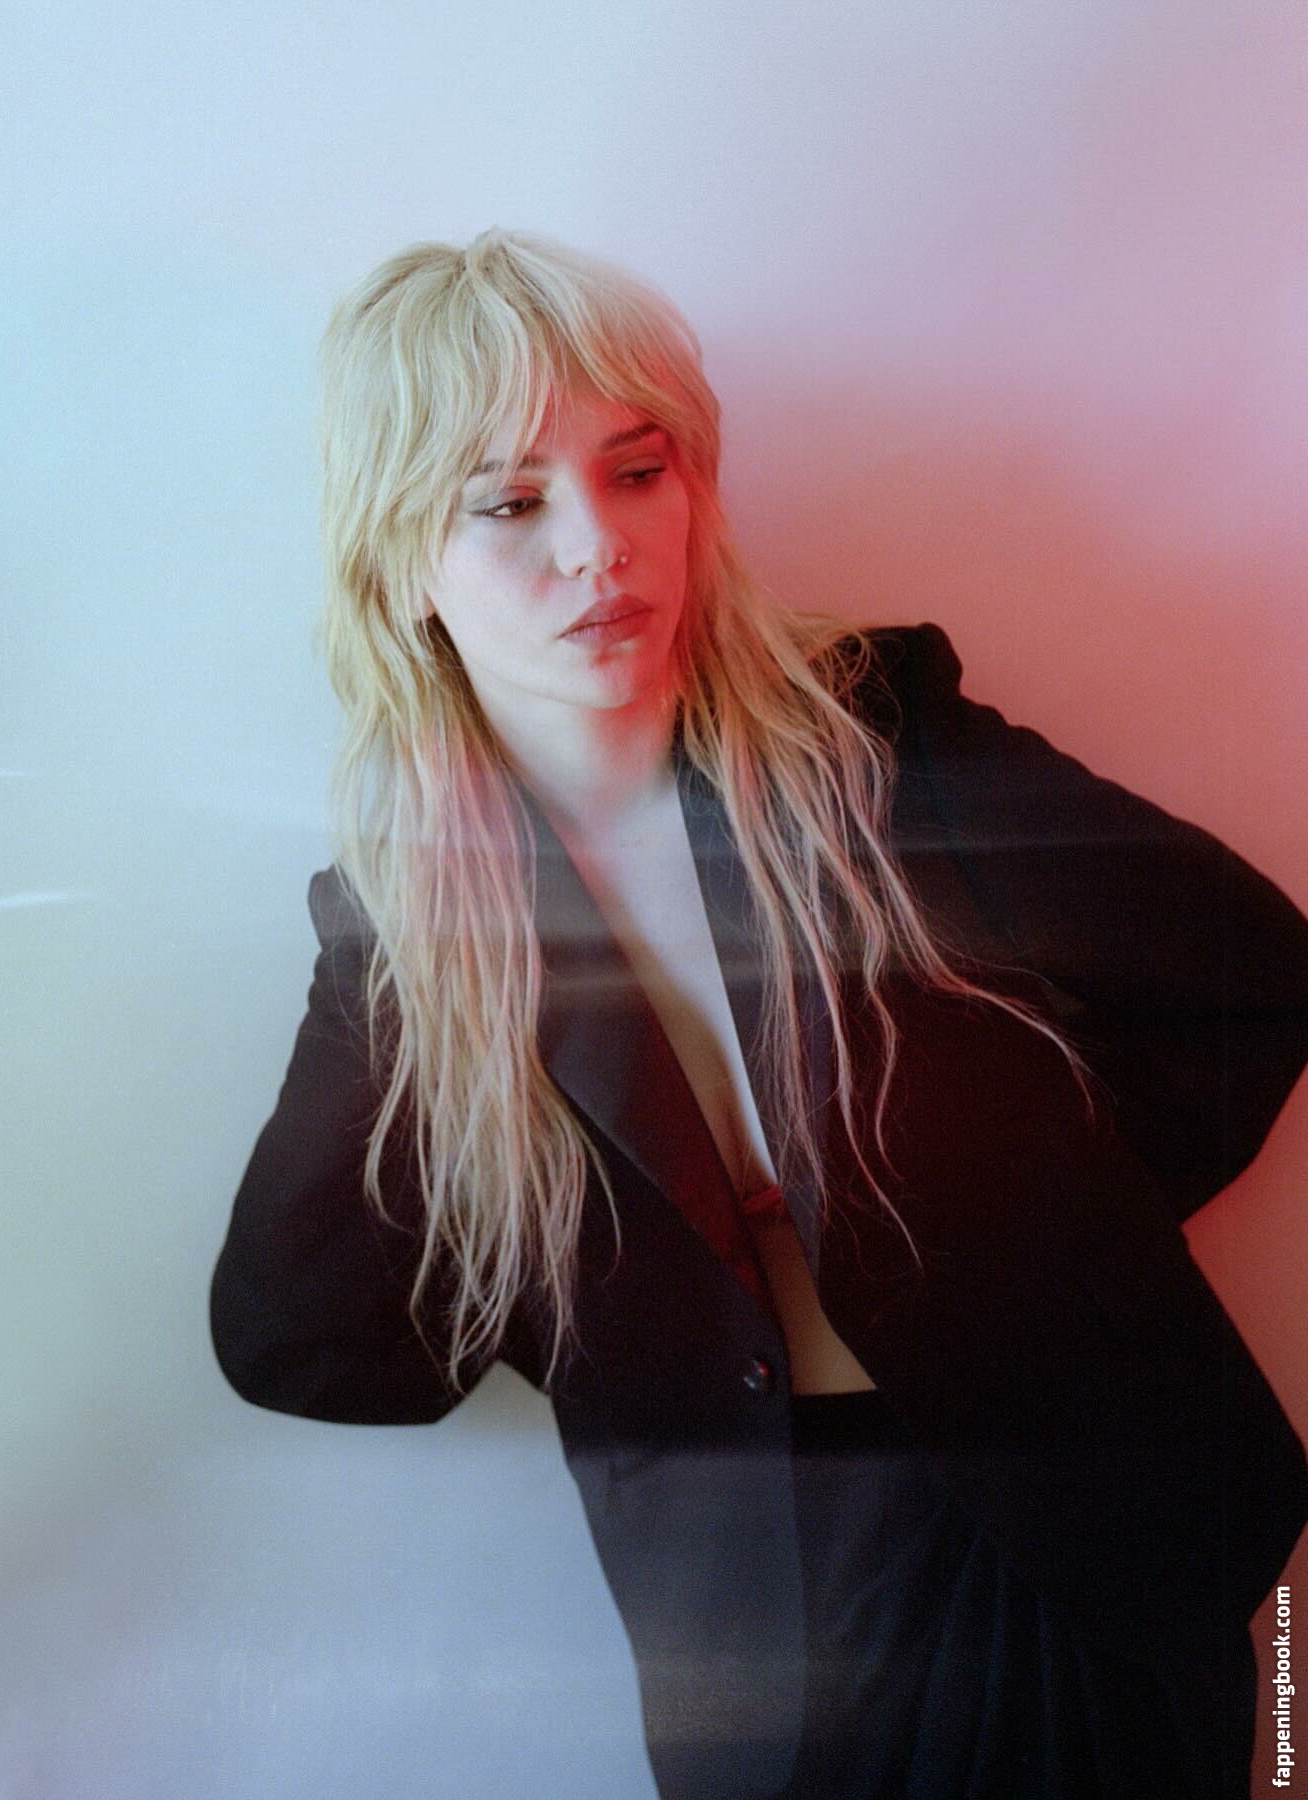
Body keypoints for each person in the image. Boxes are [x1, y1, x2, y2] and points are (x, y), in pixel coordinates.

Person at [209, 229, 1308, 1799]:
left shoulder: (879, 752)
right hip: (765, 1605)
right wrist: (633, 1291)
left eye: (638, 471)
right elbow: (304, 1339)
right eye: (508, 504)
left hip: (1083, 1529)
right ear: (399, 567)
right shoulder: (421, 921)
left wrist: (1039, 1226)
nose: (599, 547)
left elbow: (1247, 974)